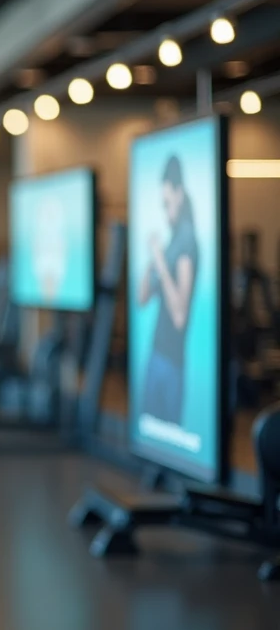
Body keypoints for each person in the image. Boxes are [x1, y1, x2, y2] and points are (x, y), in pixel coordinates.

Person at [138, 154, 197, 426]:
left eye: (168, 203)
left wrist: (160, 261)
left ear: (180, 194)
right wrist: (152, 260)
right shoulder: (172, 242)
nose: (166, 210)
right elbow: (142, 299)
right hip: (156, 355)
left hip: (172, 362)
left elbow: (180, 317)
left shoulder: (186, 245)